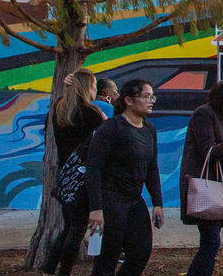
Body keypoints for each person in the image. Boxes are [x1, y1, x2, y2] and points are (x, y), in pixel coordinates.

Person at [85, 79, 164, 276]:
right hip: (111, 199)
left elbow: (151, 168)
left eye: (152, 96)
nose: (151, 101)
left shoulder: (148, 130)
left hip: (134, 200)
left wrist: (157, 203)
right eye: (146, 96)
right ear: (129, 100)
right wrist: (96, 208)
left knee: (140, 251)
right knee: (108, 257)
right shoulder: (112, 128)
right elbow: (93, 168)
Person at [42, 68, 106, 276]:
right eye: (94, 85)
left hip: (66, 175)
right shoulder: (92, 113)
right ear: (88, 87)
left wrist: (67, 86)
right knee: (77, 230)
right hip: (85, 176)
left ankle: (49, 269)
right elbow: (108, 133)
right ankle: (63, 272)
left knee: (69, 227)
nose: (96, 90)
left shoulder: (60, 110)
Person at [181, 80, 223, 276]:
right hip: (206, 184)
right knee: (211, 240)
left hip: (217, 184)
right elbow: (209, 151)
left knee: (211, 240)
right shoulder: (205, 114)